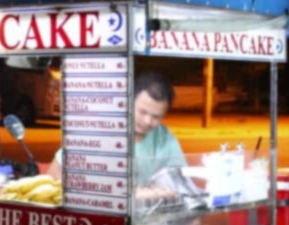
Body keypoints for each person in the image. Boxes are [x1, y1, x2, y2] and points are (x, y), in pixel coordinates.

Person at [47, 72, 186, 188]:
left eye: (156, 116)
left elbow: (179, 179)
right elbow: (54, 173)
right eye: (143, 112)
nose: (147, 121)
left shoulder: (164, 137)